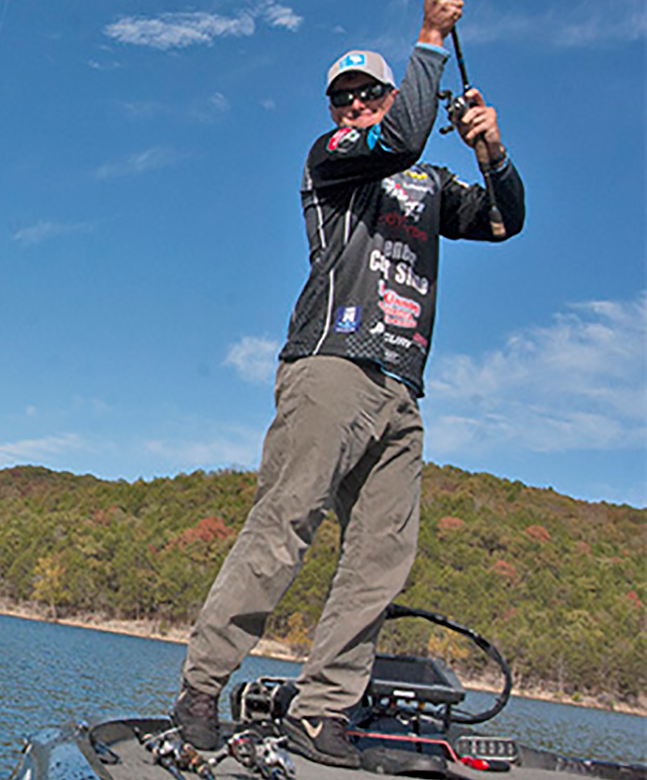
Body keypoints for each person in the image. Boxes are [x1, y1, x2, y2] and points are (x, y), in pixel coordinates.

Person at [172, 0, 524, 768]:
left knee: (380, 557)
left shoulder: (430, 185)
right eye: (345, 96)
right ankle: (201, 688)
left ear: (393, 94)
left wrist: (492, 152)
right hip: (330, 361)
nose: (357, 103)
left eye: (369, 93)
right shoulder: (334, 157)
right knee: (284, 524)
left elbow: (504, 221)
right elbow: (397, 143)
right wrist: (431, 37)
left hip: (404, 385)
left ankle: (322, 709)